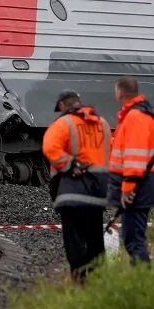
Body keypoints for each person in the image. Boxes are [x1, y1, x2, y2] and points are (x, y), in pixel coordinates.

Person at [42, 89, 111, 282]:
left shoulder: (63, 123)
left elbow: (49, 147)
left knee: (75, 242)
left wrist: (71, 165)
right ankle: (97, 282)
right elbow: (111, 155)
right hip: (98, 195)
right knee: (96, 241)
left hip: (71, 193)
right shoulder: (103, 124)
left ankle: (80, 281)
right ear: (79, 101)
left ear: (63, 105)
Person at [108, 76, 154, 264]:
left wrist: (127, 189)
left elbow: (134, 157)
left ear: (120, 93)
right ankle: (139, 279)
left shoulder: (135, 117)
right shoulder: (141, 115)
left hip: (137, 189)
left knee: (133, 240)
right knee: (133, 237)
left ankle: (143, 282)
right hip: (143, 186)